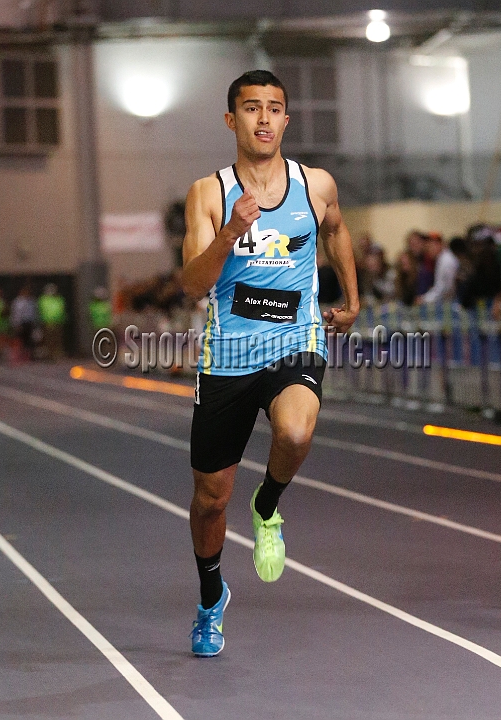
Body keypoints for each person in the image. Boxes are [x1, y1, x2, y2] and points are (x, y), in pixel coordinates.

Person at [182, 70, 359, 657]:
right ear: (231, 120)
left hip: (296, 340)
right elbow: (192, 283)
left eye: (274, 108)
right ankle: (212, 599)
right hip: (229, 353)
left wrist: (352, 300)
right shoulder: (209, 192)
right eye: (251, 108)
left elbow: (336, 231)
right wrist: (232, 229)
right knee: (210, 498)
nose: (263, 118)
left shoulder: (315, 184)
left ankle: (268, 507)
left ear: (286, 119)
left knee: (296, 428)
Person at [38, 283, 66, 360]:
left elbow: (62, 310)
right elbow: (41, 311)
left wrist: (61, 320)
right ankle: (49, 355)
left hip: (58, 322)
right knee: (48, 340)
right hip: (47, 323)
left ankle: (56, 355)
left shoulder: (59, 299)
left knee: (57, 339)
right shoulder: (43, 299)